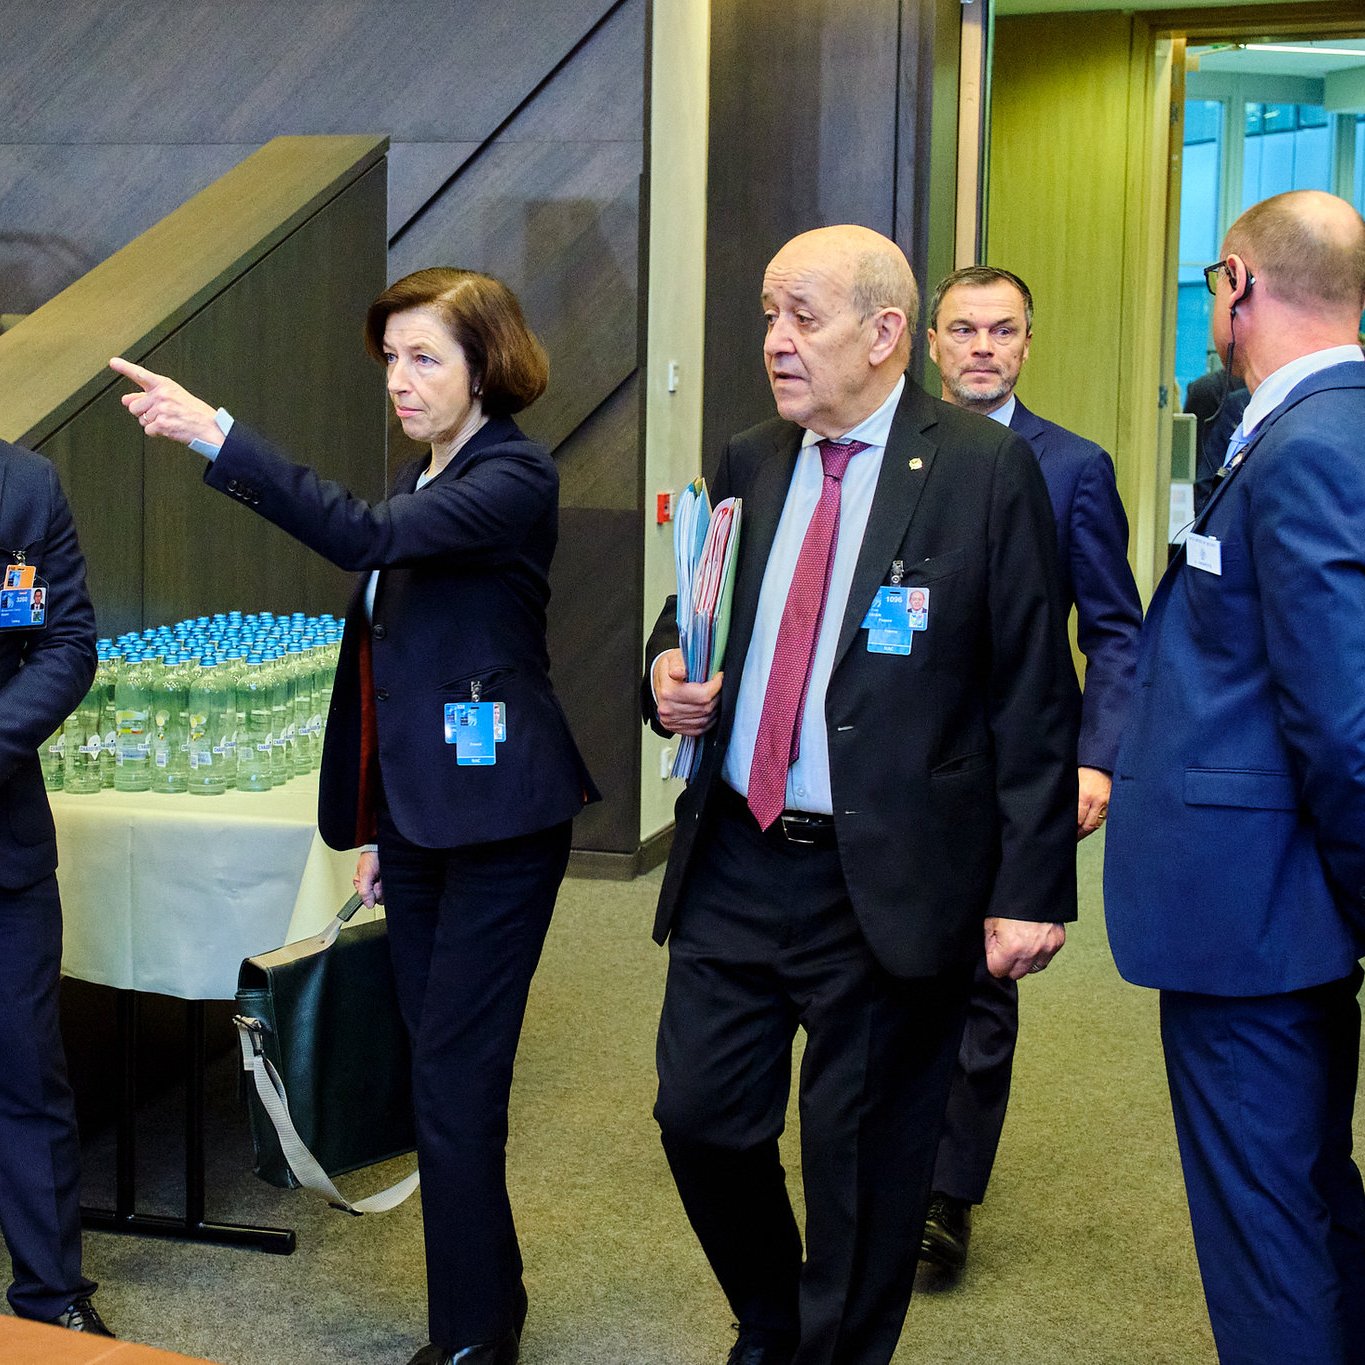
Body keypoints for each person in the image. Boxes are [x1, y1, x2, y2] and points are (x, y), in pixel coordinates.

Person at [110, 266, 599, 1365]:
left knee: (458, 1084)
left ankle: (473, 1337)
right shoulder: (431, 475)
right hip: (427, 822)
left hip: (502, 825)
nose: (401, 379)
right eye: (390, 359)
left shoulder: (512, 475)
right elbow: (401, 673)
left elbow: (359, 537)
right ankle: (490, 1307)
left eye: (426, 357)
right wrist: (380, 822)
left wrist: (213, 433)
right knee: (439, 1074)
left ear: (489, 364)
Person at [643, 225, 1079, 1365]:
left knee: (861, 1158)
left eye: (804, 317)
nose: (776, 343)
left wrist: (1032, 888)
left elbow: (1033, 696)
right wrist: (664, 677)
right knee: (698, 1117)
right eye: (768, 316)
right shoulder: (749, 459)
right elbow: (693, 612)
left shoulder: (984, 472)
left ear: (887, 335)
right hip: (738, 855)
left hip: (887, 873)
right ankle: (774, 1318)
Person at [1103, 189, 1365, 1364]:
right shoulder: (1318, 420)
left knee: (1269, 1232)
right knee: (1306, 1201)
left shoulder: (1313, 441)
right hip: (1277, 903)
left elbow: (1344, 720)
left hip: (1262, 916)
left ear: (1238, 283)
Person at [917, 265, 1143, 1279]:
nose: (981, 347)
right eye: (962, 329)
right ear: (929, 342)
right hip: (894, 761)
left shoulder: (1073, 467)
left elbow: (1114, 630)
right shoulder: (888, 456)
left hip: (1015, 764)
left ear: (1025, 345)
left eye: (1001, 331)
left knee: (983, 975)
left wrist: (1099, 757)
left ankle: (945, 1196)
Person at [0, 441, 108, 1335]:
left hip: (3, 840)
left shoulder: (24, 487)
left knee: (28, 1070)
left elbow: (69, 642)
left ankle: (51, 1300)